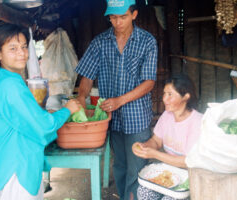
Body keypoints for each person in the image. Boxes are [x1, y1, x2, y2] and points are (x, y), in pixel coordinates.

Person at [0, 24, 81, 200]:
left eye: (24, 47)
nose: (22, 53)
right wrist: (67, 110)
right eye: (13, 48)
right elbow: (43, 126)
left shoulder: (4, 81)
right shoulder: (10, 87)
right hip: (16, 169)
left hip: (5, 165)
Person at [75, 0, 158, 199]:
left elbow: (149, 83)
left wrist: (120, 100)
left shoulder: (147, 41)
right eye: (113, 17)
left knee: (137, 165)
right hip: (111, 117)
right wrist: (81, 98)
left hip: (137, 116)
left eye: (123, 17)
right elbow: (86, 77)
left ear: (134, 14)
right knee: (120, 164)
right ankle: (124, 196)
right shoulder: (100, 42)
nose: (117, 22)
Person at [132, 74, 203, 200]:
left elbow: (187, 161)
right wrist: (144, 147)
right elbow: (156, 141)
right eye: (164, 93)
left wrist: (154, 154)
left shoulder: (197, 122)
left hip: (189, 177)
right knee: (143, 192)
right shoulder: (167, 115)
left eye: (170, 94)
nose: (165, 99)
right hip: (169, 173)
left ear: (186, 97)